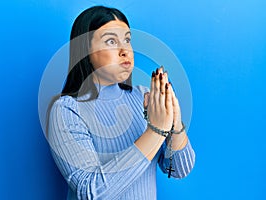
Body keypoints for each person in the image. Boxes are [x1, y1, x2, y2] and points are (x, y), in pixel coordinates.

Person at [47, 5, 195, 200]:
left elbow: (178, 170)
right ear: (85, 51)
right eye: (110, 41)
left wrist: (174, 123)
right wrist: (156, 130)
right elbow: (91, 192)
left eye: (127, 40)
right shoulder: (67, 110)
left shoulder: (143, 97)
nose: (125, 50)